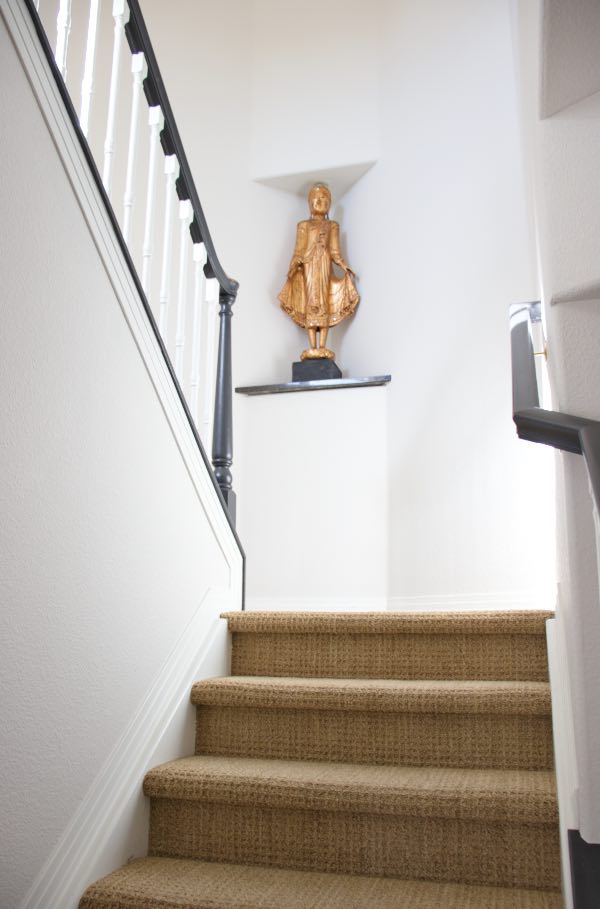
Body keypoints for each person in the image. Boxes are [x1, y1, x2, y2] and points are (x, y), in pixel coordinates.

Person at [278, 183, 359, 360]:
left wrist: (344, 266)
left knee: (324, 303)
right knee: (310, 302)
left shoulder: (333, 226)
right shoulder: (303, 226)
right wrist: (292, 267)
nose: (320, 202)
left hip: (323, 267)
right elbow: (298, 250)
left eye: (324, 199)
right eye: (316, 199)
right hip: (308, 266)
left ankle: (321, 347)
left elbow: (336, 252)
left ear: (329, 203)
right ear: (310, 203)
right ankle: (312, 347)